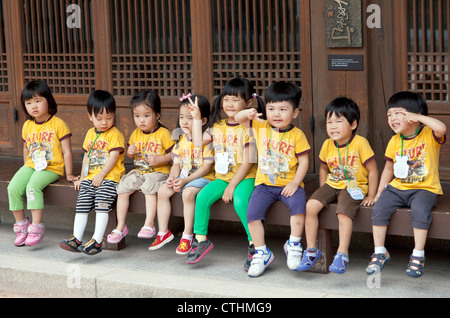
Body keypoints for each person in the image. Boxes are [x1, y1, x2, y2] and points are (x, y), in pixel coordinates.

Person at [365, 91, 446, 278]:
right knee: (379, 209)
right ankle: (379, 252)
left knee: (419, 211)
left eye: (397, 113)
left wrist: (418, 117)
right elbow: (388, 169)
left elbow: (441, 128)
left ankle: (418, 254)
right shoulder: (395, 141)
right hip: (398, 187)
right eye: (389, 115)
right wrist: (378, 193)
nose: (392, 118)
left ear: (412, 115)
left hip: (425, 188)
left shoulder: (427, 134)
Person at [185, 78, 265, 268]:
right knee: (202, 196)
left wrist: (232, 185)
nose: (229, 104)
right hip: (222, 177)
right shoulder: (218, 126)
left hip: (246, 177)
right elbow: (197, 142)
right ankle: (201, 240)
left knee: (240, 200)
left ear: (249, 103)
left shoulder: (249, 128)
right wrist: (196, 118)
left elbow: (248, 162)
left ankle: (254, 244)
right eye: (226, 99)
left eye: (236, 100)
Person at [235, 81, 311, 277]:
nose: (276, 114)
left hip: (289, 184)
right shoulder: (261, 127)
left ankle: (293, 243)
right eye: (271, 108)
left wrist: (295, 183)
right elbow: (237, 117)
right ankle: (262, 252)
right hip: (264, 185)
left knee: (299, 207)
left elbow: (303, 162)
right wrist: (248, 113)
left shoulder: (297, 135)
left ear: (294, 112)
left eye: (283, 109)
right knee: (252, 214)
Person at [298, 97, 378, 274]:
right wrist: (322, 189)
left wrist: (371, 195)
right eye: (329, 122)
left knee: (343, 212)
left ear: (353, 124)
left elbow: (372, 170)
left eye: (338, 121)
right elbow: (323, 168)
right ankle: (312, 249)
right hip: (332, 184)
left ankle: (342, 253)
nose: (333, 126)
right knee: (310, 206)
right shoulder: (327, 144)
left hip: (354, 186)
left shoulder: (360, 143)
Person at [7, 80, 77, 247]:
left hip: (51, 168)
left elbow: (67, 151)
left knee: (32, 187)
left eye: (38, 101)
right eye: (29, 103)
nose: (34, 106)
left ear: (48, 101)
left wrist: (69, 174)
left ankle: (37, 226)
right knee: (13, 187)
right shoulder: (27, 125)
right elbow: (26, 148)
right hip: (31, 166)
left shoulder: (58, 124)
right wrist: (26, 167)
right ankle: (22, 225)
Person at [60, 90, 125, 255]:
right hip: (91, 177)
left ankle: (97, 240)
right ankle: (76, 239)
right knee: (82, 202)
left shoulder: (115, 134)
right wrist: (82, 178)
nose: (104, 122)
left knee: (102, 203)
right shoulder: (90, 134)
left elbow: (113, 156)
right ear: (90, 116)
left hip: (109, 178)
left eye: (109, 118)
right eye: (100, 118)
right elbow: (86, 158)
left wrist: (101, 175)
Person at [106, 90, 175, 246]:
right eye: (137, 116)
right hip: (141, 171)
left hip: (159, 172)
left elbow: (174, 156)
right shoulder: (136, 134)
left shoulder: (163, 133)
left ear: (157, 115)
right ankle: (120, 226)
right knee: (123, 188)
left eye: (146, 115)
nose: (141, 120)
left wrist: (160, 159)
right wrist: (130, 153)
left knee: (149, 186)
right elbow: (132, 157)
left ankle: (149, 224)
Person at [150, 94, 214, 254]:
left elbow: (206, 168)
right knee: (163, 190)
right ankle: (163, 232)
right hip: (184, 178)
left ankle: (187, 235)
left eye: (190, 118)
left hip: (203, 179)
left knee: (188, 193)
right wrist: (172, 178)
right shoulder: (181, 139)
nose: (184, 121)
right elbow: (176, 165)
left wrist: (185, 180)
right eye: (181, 117)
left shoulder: (207, 140)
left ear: (203, 120)